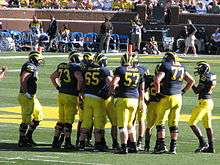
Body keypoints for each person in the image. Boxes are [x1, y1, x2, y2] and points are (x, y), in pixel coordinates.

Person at [153, 52, 194, 154]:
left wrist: (157, 93)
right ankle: (173, 147)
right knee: (174, 123)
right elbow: (191, 81)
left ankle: (161, 146)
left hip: (167, 97)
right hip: (178, 98)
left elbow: (157, 80)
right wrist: (183, 91)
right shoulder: (181, 66)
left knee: (160, 123)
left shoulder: (165, 66)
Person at [110, 53, 145, 154]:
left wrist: (113, 91)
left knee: (122, 126)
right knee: (130, 124)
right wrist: (141, 101)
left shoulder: (120, 70)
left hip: (123, 99)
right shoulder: (139, 70)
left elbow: (113, 83)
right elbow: (142, 89)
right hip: (135, 99)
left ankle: (124, 147)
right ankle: (133, 146)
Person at [50, 51, 83, 149]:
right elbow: (80, 79)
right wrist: (79, 90)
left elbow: (52, 77)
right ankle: (67, 142)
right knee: (68, 121)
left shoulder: (62, 66)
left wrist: (58, 87)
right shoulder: (76, 67)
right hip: (71, 95)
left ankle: (55, 141)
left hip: (61, 94)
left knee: (61, 119)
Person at [79, 53, 112, 151]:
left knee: (86, 121)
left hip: (87, 97)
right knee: (98, 122)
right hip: (98, 99)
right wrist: (111, 92)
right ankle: (98, 144)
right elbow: (110, 82)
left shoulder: (87, 69)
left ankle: (81, 143)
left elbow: (83, 82)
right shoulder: (103, 70)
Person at [17, 51, 45, 147]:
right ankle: (22, 140)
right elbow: (23, 78)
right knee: (26, 119)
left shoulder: (33, 66)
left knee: (39, 115)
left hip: (32, 96)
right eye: (39, 59)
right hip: (26, 95)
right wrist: (26, 92)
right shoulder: (29, 66)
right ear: (34, 58)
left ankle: (28, 136)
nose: (40, 61)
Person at [188, 61, 216, 153]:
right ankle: (211, 147)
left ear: (205, 68)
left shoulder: (204, 77)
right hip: (209, 101)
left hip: (204, 102)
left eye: (200, 68)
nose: (199, 69)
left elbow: (196, 91)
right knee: (208, 126)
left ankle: (203, 142)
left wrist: (191, 82)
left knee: (192, 122)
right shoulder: (211, 75)